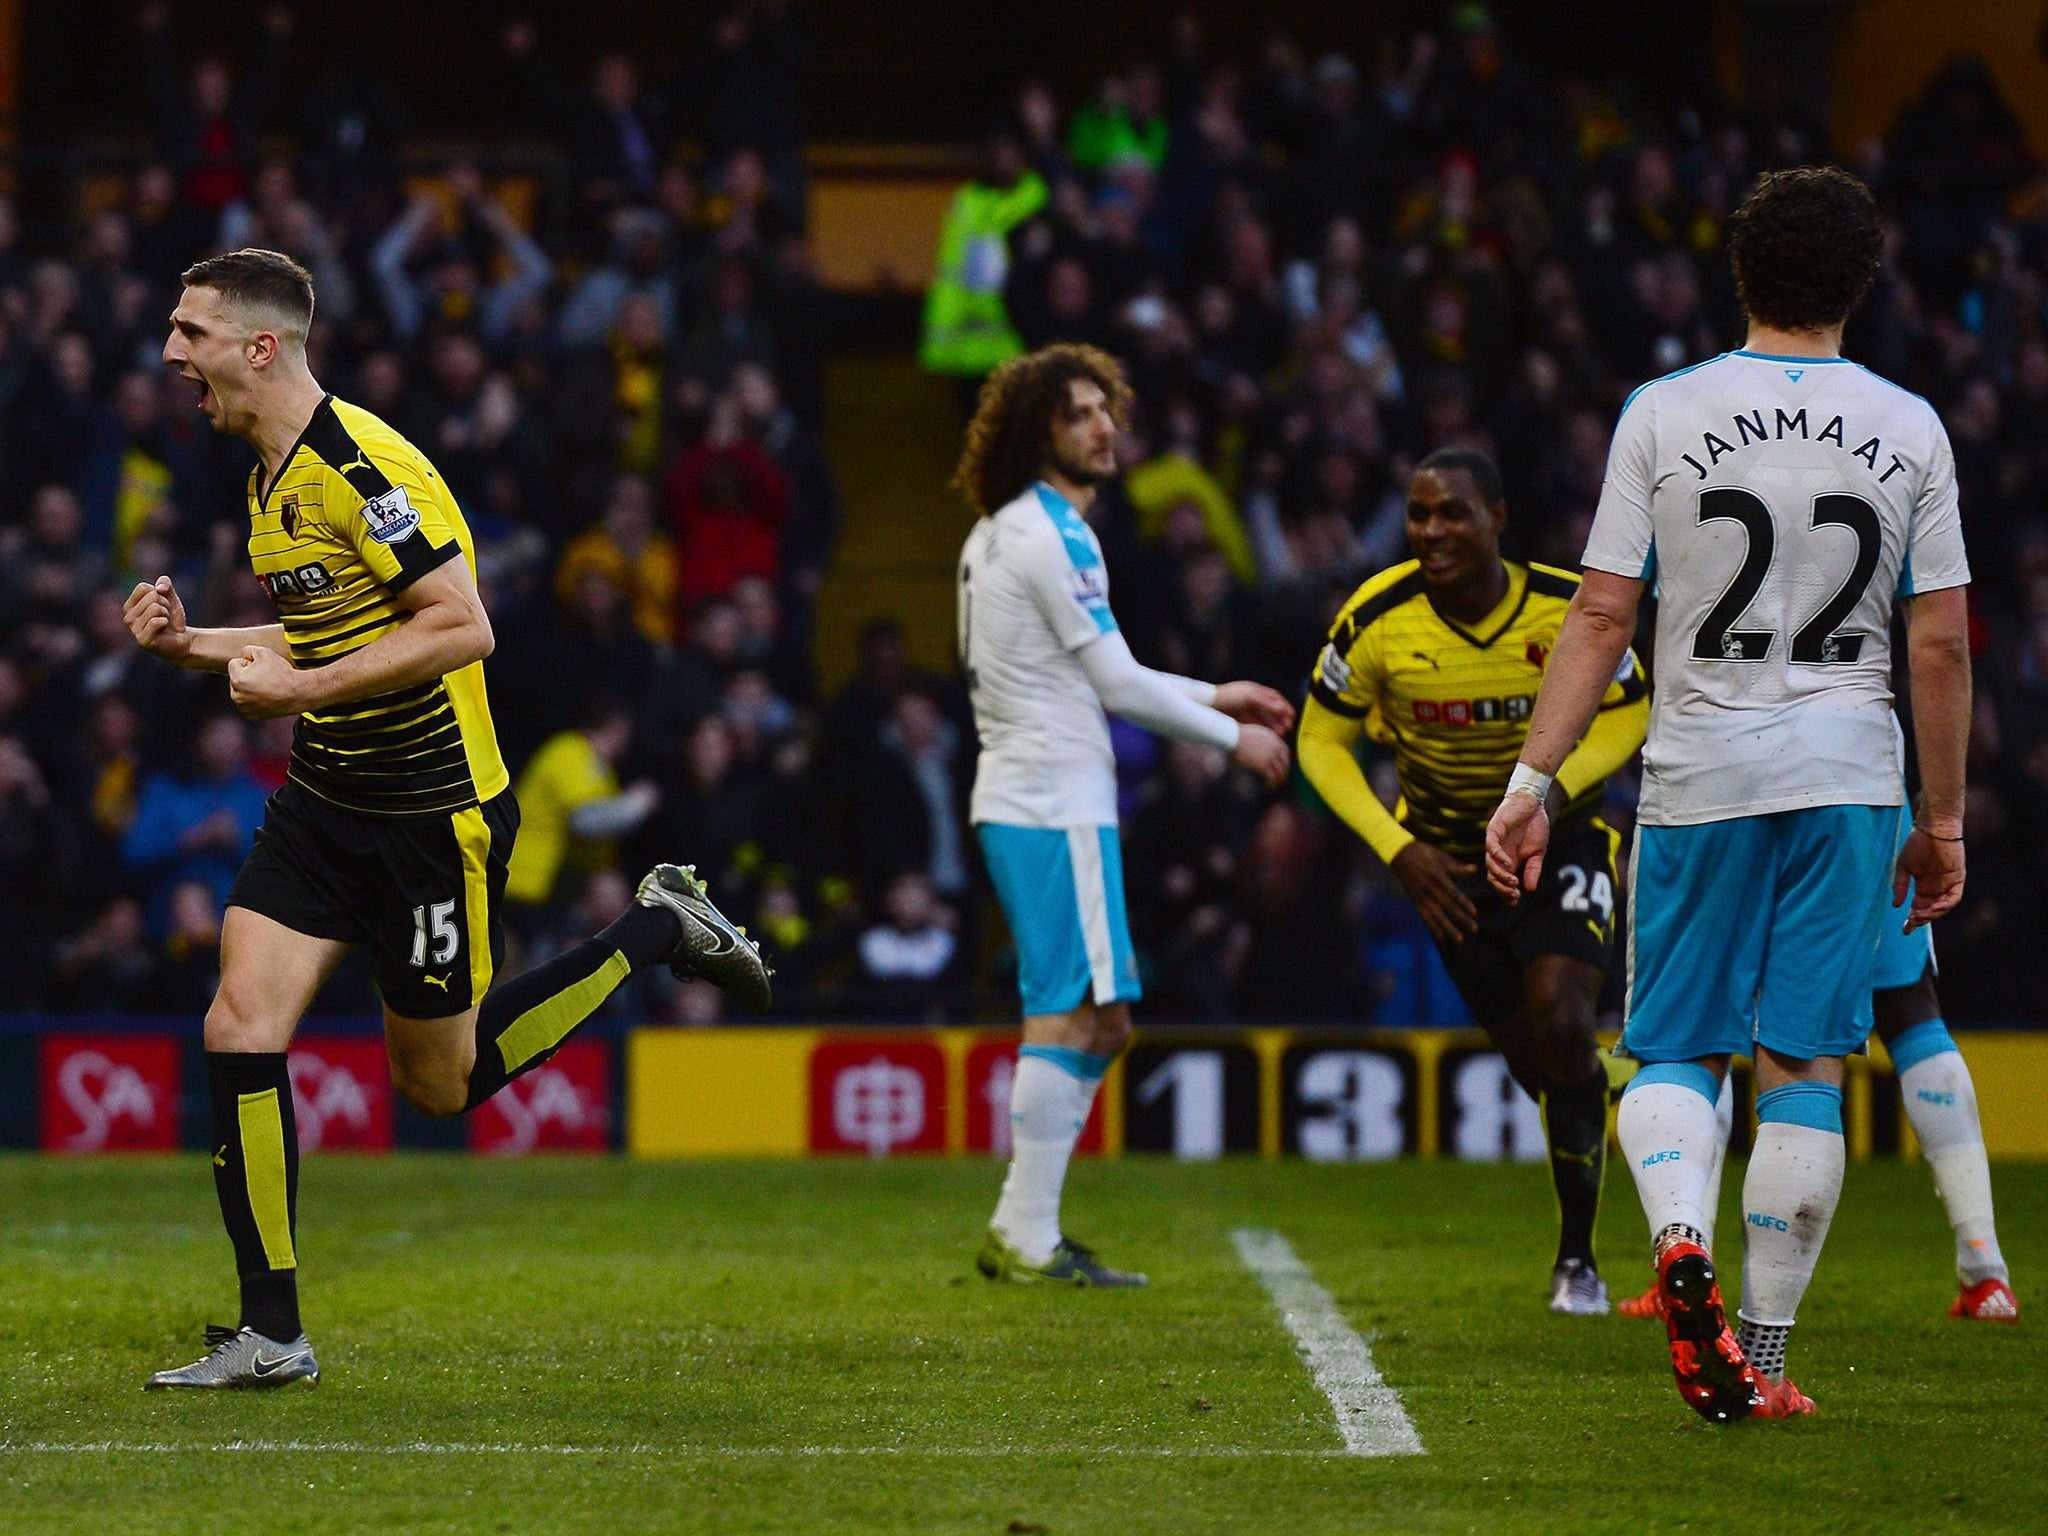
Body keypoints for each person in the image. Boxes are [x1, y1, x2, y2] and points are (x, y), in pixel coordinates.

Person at [128, 249, 770, 1390]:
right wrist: (198, 646)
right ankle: (271, 1333)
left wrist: (295, 691)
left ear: (261, 346)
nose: (174, 353)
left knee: (440, 1084)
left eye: (192, 332)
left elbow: (461, 624)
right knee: (239, 1022)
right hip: (326, 801)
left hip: (431, 814)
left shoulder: (359, 466)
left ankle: (658, 929)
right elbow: (320, 645)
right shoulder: (268, 473)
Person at [1485, 168, 1973, 1422]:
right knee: (1801, 1059)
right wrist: (1943, 820)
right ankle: (1757, 1355)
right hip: (1847, 776)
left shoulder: (1663, 410)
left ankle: (1676, 1245)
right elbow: (1938, 644)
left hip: (1699, 769)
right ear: (1860, 280)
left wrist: (1531, 779)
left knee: (1672, 1044)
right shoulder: (1908, 426)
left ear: (1739, 273)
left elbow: (1600, 612)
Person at [955, 343, 1294, 1285]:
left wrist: (1220, 694)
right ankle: (1024, 1235)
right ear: (1037, 432)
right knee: (1071, 1017)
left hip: (1030, 796)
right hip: (1054, 801)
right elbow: (1113, 685)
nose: (1105, 427)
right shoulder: (1052, 532)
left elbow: (1107, 673)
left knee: (1100, 1022)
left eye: (1107, 409)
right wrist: (1235, 742)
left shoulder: (996, 531)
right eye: (1078, 413)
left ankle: (1023, 1227)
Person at [1297, 445, 1648, 1316]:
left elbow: (1633, 707)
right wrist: (1396, 849)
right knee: (1543, 1066)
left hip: (1561, 840)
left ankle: (1579, 1262)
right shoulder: (1377, 618)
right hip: (1449, 865)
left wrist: (1549, 791)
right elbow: (1319, 742)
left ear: (1497, 517)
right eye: (1419, 514)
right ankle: (1643, 1120)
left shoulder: (1567, 609)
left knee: (1565, 1018)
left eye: (1452, 512)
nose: (1432, 530)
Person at [1615, 875, 2017, 1325]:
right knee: (1908, 1010)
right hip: (1865, 820)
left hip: (1715, 819)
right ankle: (1985, 1271)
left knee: (1695, 1024)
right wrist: (1941, 826)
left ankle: (1685, 1253)